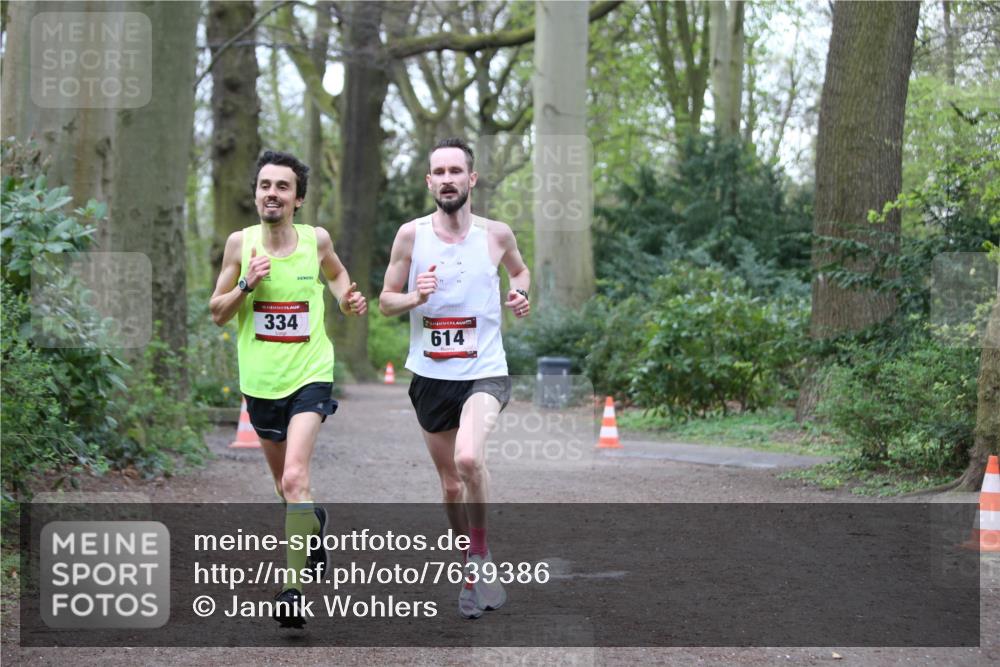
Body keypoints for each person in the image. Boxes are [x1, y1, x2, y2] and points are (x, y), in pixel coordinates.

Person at [210, 150, 367, 627]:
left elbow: (337, 272)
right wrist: (244, 285)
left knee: (296, 476)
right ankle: (313, 524)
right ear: (255, 193)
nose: (271, 193)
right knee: (285, 486)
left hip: (310, 374)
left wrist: (345, 297)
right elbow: (218, 312)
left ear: (297, 199)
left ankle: (291, 590)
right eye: (264, 185)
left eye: (282, 186)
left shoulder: (315, 240)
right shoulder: (240, 244)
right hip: (260, 382)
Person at [379, 137, 531, 619]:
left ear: (471, 179)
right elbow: (385, 301)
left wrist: (519, 295)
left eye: (455, 171)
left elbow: (520, 272)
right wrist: (413, 299)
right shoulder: (410, 236)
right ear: (430, 182)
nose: (447, 179)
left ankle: (481, 558)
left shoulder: (496, 234)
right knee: (449, 486)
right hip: (430, 376)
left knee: (469, 458)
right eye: (438, 172)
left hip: (484, 371)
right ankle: (468, 564)